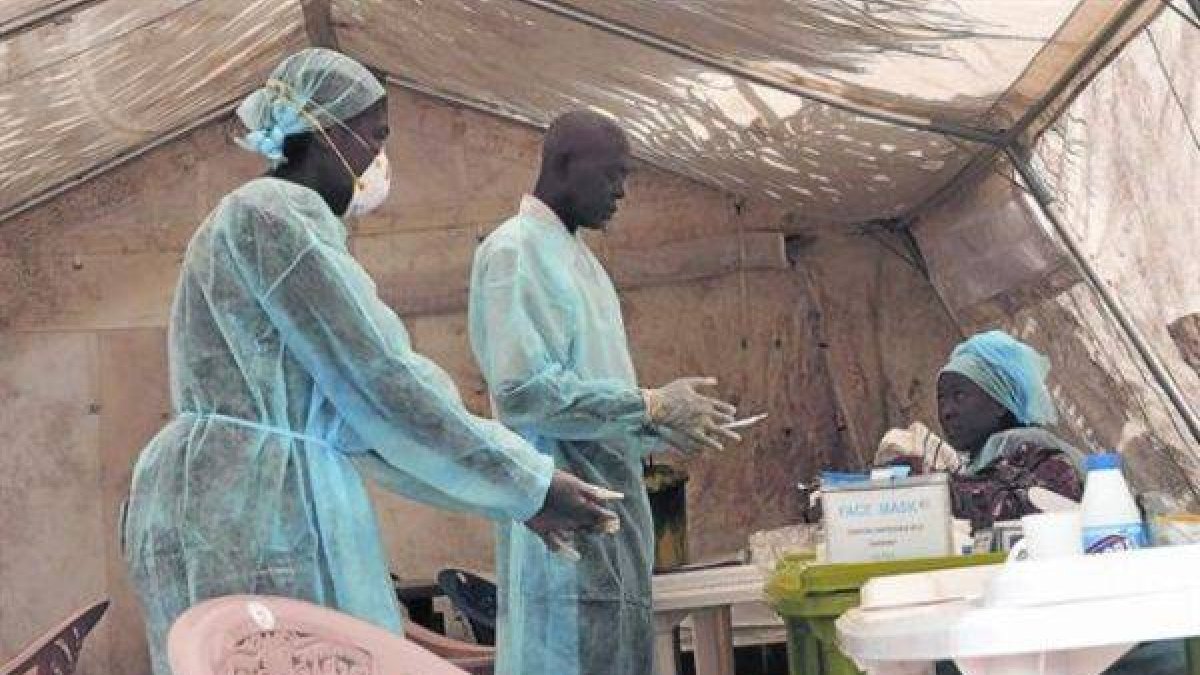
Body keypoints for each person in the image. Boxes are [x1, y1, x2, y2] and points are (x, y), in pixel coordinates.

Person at [122, 50, 618, 675]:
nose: (378, 160)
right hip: (247, 507)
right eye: (376, 135)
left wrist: (518, 493)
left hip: (241, 490)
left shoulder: (273, 221)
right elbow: (384, 379)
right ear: (327, 130)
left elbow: (363, 425)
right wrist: (530, 482)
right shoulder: (274, 218)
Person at [467, 110, 740, 675]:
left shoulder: (581, 262)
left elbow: (588, 391)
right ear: (566, 164)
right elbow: (523, 393)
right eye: (613, 173)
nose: (622, 191)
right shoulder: (516, 251)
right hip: (561, 528)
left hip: (609, 524)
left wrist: (654, 426)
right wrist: (648, 403)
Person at [934, 330, 1084, 529]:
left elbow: (1020, 510)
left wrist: (931, 490)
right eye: (941, 399)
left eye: (959, 396)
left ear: (1000, 403)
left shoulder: (1035, 454)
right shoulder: (978, 464)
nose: (946, 411)